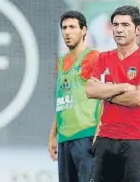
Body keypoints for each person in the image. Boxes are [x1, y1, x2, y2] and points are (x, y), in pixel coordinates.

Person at [86, 5, 140, 182]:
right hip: (105, 138)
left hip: (135, 139)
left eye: (125, 25)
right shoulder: (103, 58)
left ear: (137, 30)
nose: (119, 29)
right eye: (115, 25)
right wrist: (124, 86)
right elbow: (90, 90)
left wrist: (107, 93)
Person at [48, 10, 102, 182]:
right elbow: (63, 101)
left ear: (84, 30)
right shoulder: (61, 62)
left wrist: (99, 134)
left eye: (72, 27)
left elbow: (104, 98)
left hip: (86, 136)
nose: (67, 32)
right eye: (64, 28)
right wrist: (53, 135)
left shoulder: (93, 57)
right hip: (64, 138)